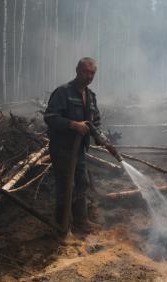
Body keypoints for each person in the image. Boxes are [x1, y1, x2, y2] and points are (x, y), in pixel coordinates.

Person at [44, 57, 116, 233]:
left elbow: (95, 123)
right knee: (66, 186)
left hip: (79, 151)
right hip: (62, 149)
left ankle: (81, 221)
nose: (89, 76)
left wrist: (101, 138)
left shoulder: (90, 97)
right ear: (77, 71)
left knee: (81, 182)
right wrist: (73, 125)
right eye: (86, 72)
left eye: (92, 73)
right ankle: (63, 225)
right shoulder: (63, 92)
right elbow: (50, 117)